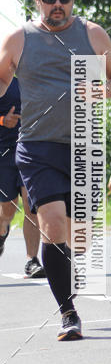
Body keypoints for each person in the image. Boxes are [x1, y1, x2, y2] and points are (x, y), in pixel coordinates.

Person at [0, 0, 111, 339]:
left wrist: (103, 91)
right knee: (53, 225)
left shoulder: (91, 36)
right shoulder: (19, 40)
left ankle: (66, 270)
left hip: (84, 144)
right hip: (37, 147)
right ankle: (68, 312)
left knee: (79, 237)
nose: (57, 5)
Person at [0, 76, 46, 277]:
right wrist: (2, 120)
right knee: (8, 209)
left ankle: (32, 260)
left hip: (29, 149)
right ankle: (2, 232)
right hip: (3, 152)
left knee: (31, 205)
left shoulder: (32, 78)